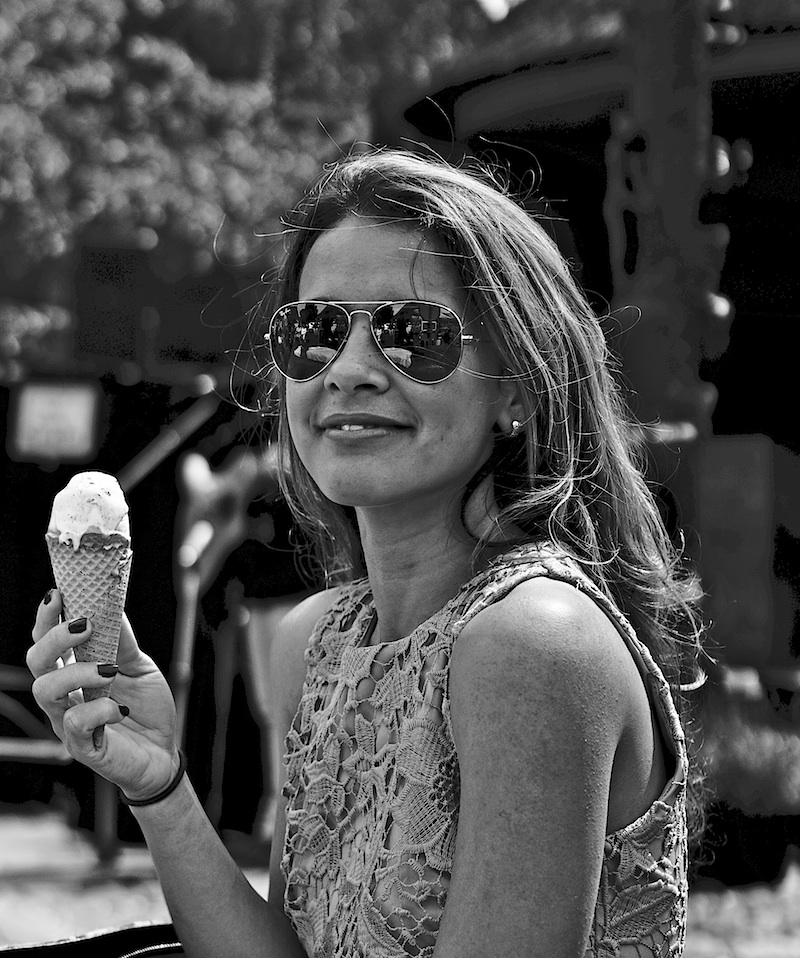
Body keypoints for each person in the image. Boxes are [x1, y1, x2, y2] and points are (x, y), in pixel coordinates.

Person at [28, 148, 707, 958]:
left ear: (516, 388)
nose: (349, 370)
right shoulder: (316, 643)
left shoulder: (533, 642)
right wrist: (159, 786)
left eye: (412, 332)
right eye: (313, 331)